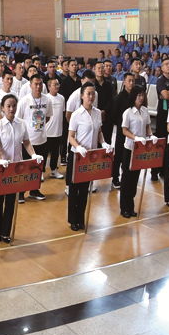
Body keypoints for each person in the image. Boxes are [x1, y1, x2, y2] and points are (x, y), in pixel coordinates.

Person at [0, 94, 34, 243]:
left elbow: (27, 143)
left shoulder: (21, 124)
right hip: (1, 168)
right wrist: (0, 160)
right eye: (8, 106)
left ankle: (6, 232)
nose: (11, 109)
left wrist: (33, 155)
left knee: (11, 201)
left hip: (15, 168)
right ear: (2, 108)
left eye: (14, 106)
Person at [66, 84, 106, 231]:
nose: (91, 97)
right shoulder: (76, 114)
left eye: (93, 94)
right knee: (74, 189)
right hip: (78, 156)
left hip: (90, 157)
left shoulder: (97, 113)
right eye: (88, 94)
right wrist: (78, 147)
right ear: (82, 96)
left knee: (85, 190)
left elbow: (99, 132)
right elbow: (71, 136)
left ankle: (81, 218)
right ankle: (73, 220)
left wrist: (103, 143)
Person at [16, 74, 56, 200]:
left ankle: (34, 190)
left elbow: (47, 117)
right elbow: (18, 119)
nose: (38, 87)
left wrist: (40, 127)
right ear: (30, 85)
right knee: (25, 168)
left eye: (40, 84)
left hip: (42, 139)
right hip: (27, 141)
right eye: (35, 84)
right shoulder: (24, 101)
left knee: (37, 168)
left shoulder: (47, 100)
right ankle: (20, 192)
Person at [118, 88, 150, 219]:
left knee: (135, 179)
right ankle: (124, 207)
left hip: (140, 150)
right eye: (138, 95)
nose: (141, 98)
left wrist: (151, 135)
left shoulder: (145, 111)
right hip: (130, 148)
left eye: (142, 95)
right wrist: (135, 138)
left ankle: (131, 206)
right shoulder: (128, 112)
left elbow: (147, 126)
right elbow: (124, 130)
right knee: (127, 178)